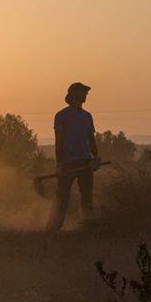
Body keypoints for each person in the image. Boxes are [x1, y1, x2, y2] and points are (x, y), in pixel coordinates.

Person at [46, 82, 102, 231]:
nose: (86, 95)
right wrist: (59, 165)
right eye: (83, 92)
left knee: (87, 200)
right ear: (74, 94)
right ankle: (52, 229)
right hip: (68, 164)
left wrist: (96, 157)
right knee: (62, 199)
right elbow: (59, 143)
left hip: (85, 163)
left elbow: (91, 139)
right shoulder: (61, 116)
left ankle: (88, 228)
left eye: (86, 93)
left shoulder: (87, 116)